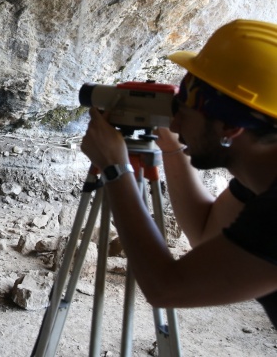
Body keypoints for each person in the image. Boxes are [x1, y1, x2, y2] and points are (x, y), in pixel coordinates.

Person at [81, 18, 277, 328]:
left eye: (183, 113)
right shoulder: (262, 174)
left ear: (230, 127)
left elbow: (166, 287)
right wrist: (173, 147)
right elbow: (204, 231)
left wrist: (116, 169)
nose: (173, 124)